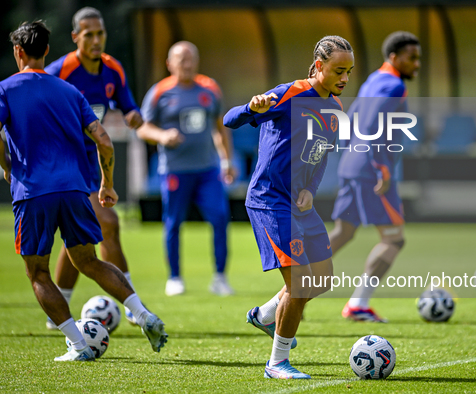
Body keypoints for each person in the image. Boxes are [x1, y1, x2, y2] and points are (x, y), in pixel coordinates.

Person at [0, 21, 167, 361]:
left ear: (18, 52)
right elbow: (104, 141)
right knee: (89, 260)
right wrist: (106, 184)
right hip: (77, 189)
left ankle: (78, 345)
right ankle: (144, 314)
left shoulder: (5, 89)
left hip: (33, 192)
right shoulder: (69, 91)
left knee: (38, 273)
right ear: (47, 51)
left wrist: (7, 166)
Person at [224, 36, 354, 379]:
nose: (344, 78)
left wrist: (311, 188)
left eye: (348, 72)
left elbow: (322, 154)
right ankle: (277, 363)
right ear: (318, 66)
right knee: (300, 283)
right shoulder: (290, 94)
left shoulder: (335, 109)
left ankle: (265, 315)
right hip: (269, 200)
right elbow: (229, 119)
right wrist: (252, 108)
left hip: (299, 204)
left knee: (321, 278)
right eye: (338, 70)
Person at [44, 7, 144, 329]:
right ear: (75, 37)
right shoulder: (58, 72)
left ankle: (57, 306)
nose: (97, 40)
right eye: (89, 34)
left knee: (80, 240)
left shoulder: (113, 69)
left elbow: (129, 107)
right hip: (62, 161)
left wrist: (135, 116)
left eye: (100, 33)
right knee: (108, 222)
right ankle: (132, 304)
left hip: (92, 159)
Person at [329, 31, 421, 322]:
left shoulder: (372, 79)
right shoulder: (394, 85)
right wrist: (381, 165)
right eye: (412, 58)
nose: (417, 64)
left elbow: (353, 116)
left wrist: (350, 153)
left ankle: (293, 291)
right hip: (372, 170)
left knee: (343, 233)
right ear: (394, 58)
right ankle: (358, 304)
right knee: (394, 239)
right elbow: (372, 123)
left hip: (351, 164)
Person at [137, 41, 236, 297]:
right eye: (182, 60)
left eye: (191, 58)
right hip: (174, 170)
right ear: (170, 64)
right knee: (173, 222)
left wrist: (226, 161)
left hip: (208, 170)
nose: (187, 64)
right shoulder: (160, 92)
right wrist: (162, 136)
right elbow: (142, 127)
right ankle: (175, 277)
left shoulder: (210, 88)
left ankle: (220, 277)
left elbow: (220, 128)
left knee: (220, 218)